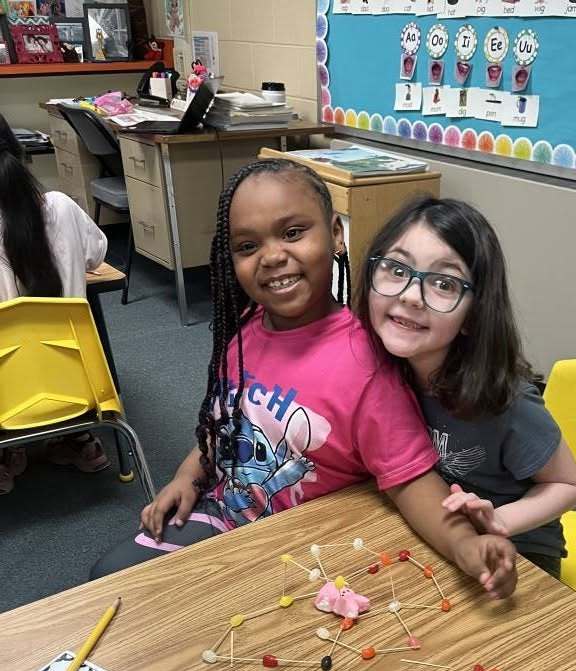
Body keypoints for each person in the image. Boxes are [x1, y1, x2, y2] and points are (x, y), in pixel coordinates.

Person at [91, 159, 517, 597]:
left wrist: (465, 544)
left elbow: (411, 482)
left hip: (300, 555)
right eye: (247, 246)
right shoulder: (243, 329)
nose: (273, 256)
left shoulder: (364, 365)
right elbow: (222, 425)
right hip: (222, 515)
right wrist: (187, 476)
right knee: (109, 581)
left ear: (336, 234)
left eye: (293, 233)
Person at [357, 196, 576, 579]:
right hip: (436, 528)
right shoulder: (379, 368)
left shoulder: (507, 401)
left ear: (473, 316)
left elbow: (567, 483)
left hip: (517, 548)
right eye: (397, 269)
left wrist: (498, 521)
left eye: (444, 283)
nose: (411, 295)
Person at [0, 114, 109, 492]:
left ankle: (7, 453)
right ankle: (76, 438)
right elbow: (98, 256)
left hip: (6, 397)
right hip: (79, 385)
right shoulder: (61, 206)